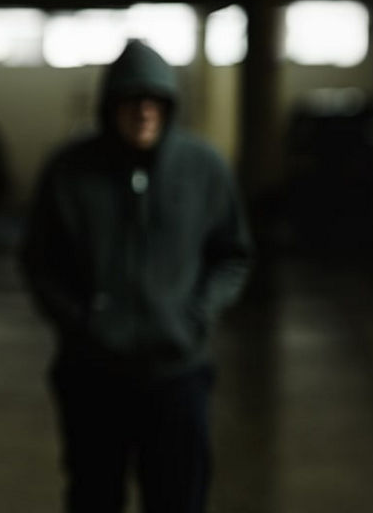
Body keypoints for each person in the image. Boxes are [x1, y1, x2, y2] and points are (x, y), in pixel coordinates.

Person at [20, 39, 252, 513]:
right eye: (131, 101)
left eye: (154, 101)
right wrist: (81, 322)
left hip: (177, 375)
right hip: (93, 377)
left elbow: (232, 255)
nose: (143, 112)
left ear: (169, 107)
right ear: (110, 107)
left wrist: (195, 315)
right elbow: (39, 261)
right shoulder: (69, 172)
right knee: (93, 497)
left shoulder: (202, 169)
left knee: (178, 499)